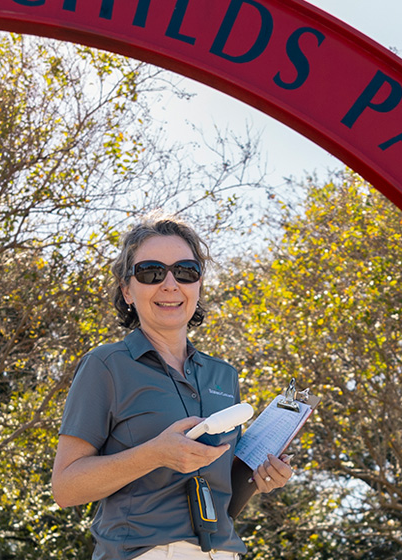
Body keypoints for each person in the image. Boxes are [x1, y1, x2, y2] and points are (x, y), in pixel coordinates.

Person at [52, 212, 295, 560]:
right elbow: (65, 488)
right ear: (127, 290)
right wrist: (154, 454)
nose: (170, 284)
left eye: (185, 271)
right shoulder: (105, 366)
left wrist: (261, 478)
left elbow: (225, 496)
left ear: (198, 285)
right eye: (151, 272)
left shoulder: (224, 375)